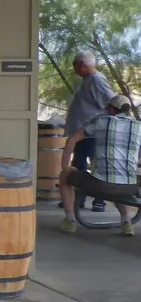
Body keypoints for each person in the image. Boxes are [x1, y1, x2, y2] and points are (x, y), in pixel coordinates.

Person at [58, 92, 141, 236]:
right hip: (130, 188)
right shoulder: (139, 127)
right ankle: (126, 222)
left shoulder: (101, 121)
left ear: (112, 110)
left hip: (100, 185)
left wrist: (66, 167)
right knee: (119, 178)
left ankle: (70, 221)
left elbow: (71, 140)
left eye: (108, 109)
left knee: (65, 176)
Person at [64, 52, 115, 212]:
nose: (74, 68)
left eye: (74, 65)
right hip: (82, 131)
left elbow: (112, 102)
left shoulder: (97, 80)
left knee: (95, 166)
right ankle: (78, 198)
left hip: (91, 133)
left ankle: (99, 200)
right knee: (79, 164)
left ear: (81, 65)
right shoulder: (87, 80)